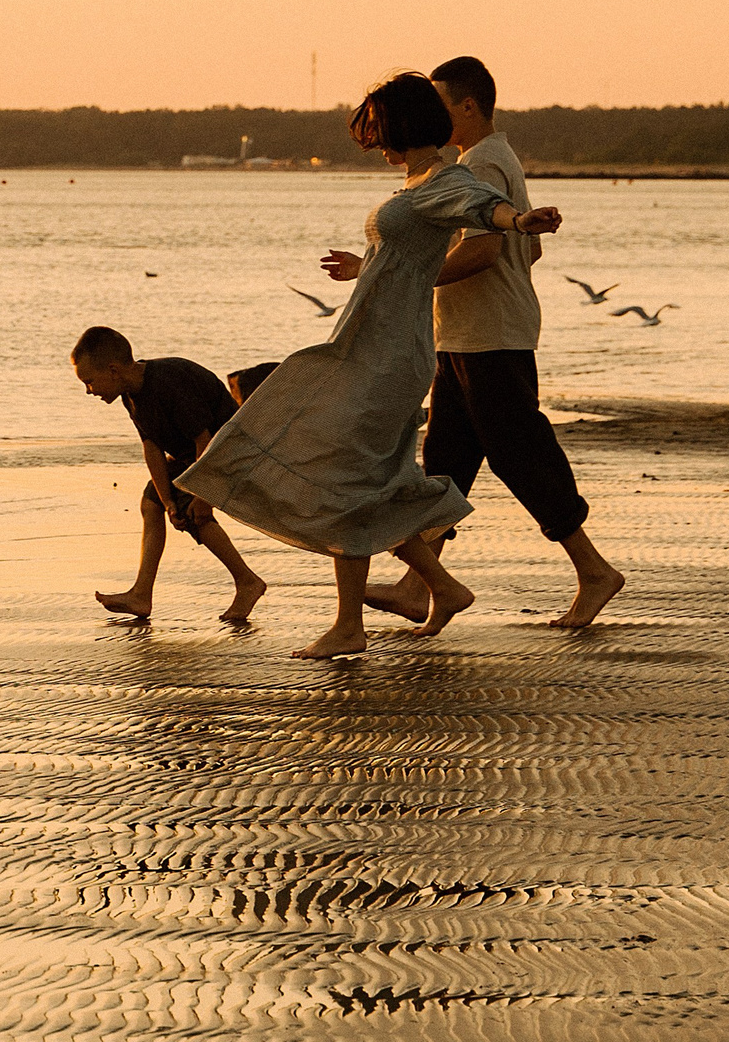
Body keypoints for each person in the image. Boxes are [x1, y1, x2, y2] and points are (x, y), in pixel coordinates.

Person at [176, 73, 562, 658]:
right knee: (365, 477)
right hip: (369, 345)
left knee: (343, 469)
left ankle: (351, 623)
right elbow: (406, 256)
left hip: (389, 357)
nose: (377, 146)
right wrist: (367, 267)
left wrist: (518, 221)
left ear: (405, 128)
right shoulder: (418, 184)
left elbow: (483, 207)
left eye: (381, 134)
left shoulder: (445, 180)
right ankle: (441, 586)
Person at [366, 56, 624, 628]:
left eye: (439, 106)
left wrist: (411, 276)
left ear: (466, 106)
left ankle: (594, 571)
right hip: (467, 331)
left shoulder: (481, 163)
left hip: (491, 335)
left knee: (519, 453)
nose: (430, 118)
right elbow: (527, 248)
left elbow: (484, 250)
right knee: (446, 460)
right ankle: (417, 585)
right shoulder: (487, 159)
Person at [71, 326, 268, 623]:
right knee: (152, 503)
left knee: (193, 511)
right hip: (194, 456)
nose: (88, 390)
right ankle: (141, 594)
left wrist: (204, 496)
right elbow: (152, 448)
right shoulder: (131, 395)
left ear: (113, 370)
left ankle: (247, 582)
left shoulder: (167, 382)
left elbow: (206, 441)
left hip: (231, 451)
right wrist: (167, 502)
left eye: (89, 381)